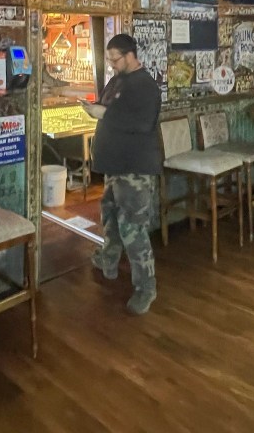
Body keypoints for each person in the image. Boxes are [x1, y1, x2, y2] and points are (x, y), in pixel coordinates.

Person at [80, 34, 162, 315]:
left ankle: (146, 288)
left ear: (130, 55)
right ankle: (108, 260)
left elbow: (141, 123)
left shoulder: (146, 86)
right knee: (111, 220)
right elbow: (109, 109)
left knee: (133, 229)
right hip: (114, 166)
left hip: (135, 169)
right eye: (110, 60)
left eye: (115, 59)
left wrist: (102, 114)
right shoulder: (117, 81)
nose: (112, 65)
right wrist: (95, 109)